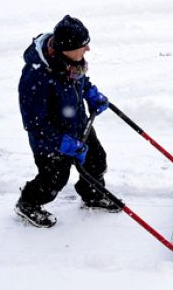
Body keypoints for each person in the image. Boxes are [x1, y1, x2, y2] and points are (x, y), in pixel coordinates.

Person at [15, 15, 119, 228]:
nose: (88, 49)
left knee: (96, 160)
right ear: (66, 47)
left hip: (78, 125)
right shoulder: (36, 77)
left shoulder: (71, 62)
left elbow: (80, 81)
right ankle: (28, 203)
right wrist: (62, 143)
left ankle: (92, 195)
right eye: (83, 45)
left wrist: (91, 93)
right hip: (50, 140)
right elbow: (34, 123)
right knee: (54, 179)